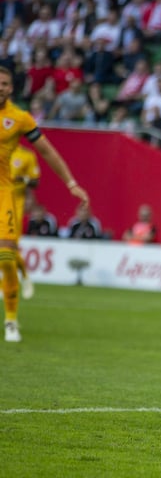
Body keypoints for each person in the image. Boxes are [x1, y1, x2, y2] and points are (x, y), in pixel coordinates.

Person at [0, 66, 89, 343]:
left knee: (5, 258)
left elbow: (48, 151)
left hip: (4, 195)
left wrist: (71, 183)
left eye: (4, 84)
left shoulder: (20, 119)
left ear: (11, 88)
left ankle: (11, 320)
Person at [9, 145, 40, 299]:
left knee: (9, 246)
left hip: (14, 206)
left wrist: (22, 178)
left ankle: (23, 278)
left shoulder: (26, 156)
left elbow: (35, 182)